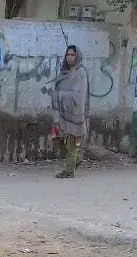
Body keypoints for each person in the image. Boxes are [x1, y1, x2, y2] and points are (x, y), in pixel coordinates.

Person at [52, 45, 90, 179]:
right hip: (62, 114)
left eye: (72, 55)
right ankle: (76, 160)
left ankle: (69, 170)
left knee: (72, 143)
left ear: (77, 56)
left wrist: (61, 94)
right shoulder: (64, 72)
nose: (69, 57)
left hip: (75, 114)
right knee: (61, 142)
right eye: (68, 54)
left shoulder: (80, 73)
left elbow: (79, 95)